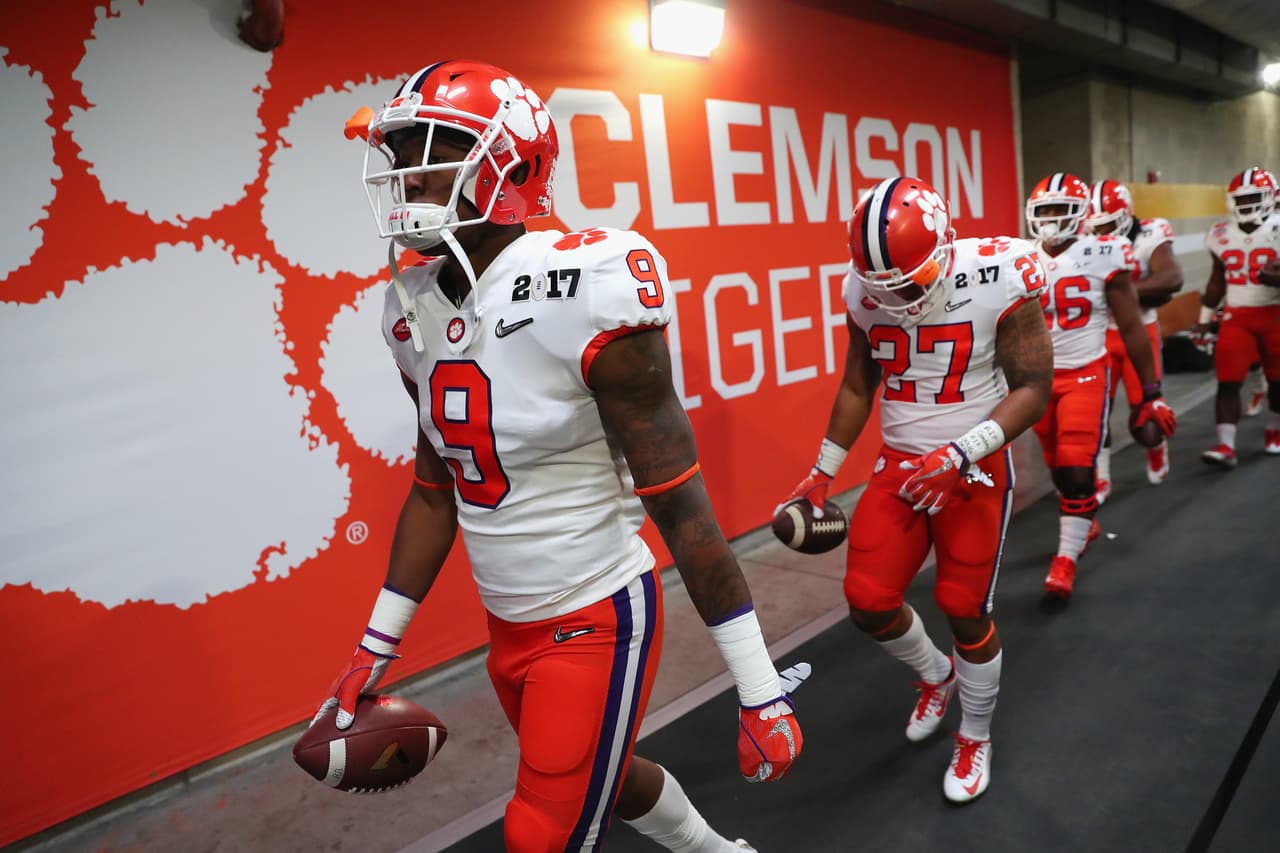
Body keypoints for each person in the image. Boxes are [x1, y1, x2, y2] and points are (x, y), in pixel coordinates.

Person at [315, 61, 803, 853]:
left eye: (430, 150)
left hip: (597, 608)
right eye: (400, 153)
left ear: (509, 164)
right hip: (506, 621)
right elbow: (435, 486)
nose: (408, 176)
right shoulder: (410, 305)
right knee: (606, 777)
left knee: (539, 830)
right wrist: (376, 646)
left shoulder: (585, 281)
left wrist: (758, 686)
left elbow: (679, 501)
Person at [780, 177, 1054, 803]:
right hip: (900, 465)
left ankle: (975, 735)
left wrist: (963, 451)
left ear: (946, 246)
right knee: (867, 598)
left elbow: (1033, 387)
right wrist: (823, 469)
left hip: (974, 465)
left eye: (907, 280)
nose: (897, 296)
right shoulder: (862, 287)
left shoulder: (999, 274)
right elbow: (858, 382)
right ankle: (936, 675)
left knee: (964, 606)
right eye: (883, 286)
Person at [1025, 173, 1176, 599]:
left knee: (1076, 466)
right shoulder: (1016, 257)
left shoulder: (1106, 250)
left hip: (1086, 373)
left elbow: (1131, 325)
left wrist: (1151, 391)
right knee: (1056, 462)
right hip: (1038, 380)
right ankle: (1083, 524)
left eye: (1060, 209)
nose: (1051, 219)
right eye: (1044, 211)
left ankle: (1064, 561)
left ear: (1080, 215)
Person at [1083, 180, 1184, 496]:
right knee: (1095, 413)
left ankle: (1156, 449)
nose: (1103, 233)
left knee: (1149, 424)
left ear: (1126, 216)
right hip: (1097, 337)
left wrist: (1118, 294)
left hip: (1140, 333)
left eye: (1110, 225)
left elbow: (1171, 278)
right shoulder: (1080, 241)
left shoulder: (1149, 234)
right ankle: (1101, 474)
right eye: (1096, 227)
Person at [1195, 167, 1280, 466]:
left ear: (1271, 198)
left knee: (1278, 381)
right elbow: (1217, 279)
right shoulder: (1220, 233)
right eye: (1242, 200)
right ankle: (1225, 446)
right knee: (1228, 381)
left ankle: (1274, 430)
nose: (1247, 206)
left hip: (1275, 314)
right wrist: (1205, 316)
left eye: (1254, 198)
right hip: (1237, 316)